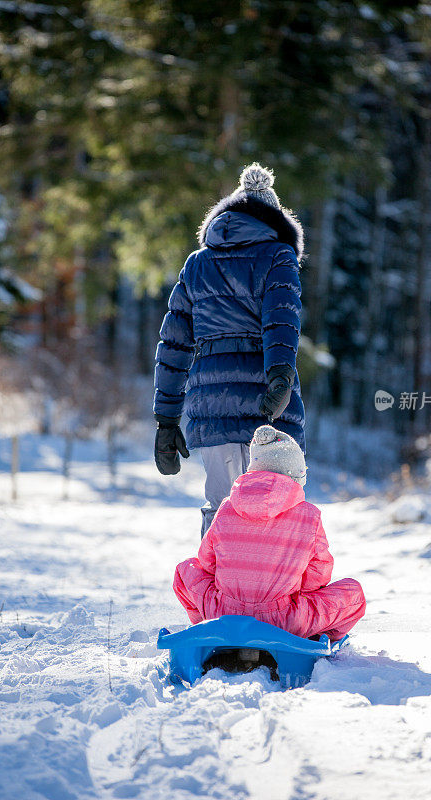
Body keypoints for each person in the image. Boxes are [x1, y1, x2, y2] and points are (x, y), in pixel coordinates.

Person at [153, 163, 305, 538]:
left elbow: (174, 345)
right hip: (268, 403)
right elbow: (280, 320)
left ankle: (217, 595)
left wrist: (166, 420)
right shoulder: (278, 256)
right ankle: (272, 594)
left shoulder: (197, 264)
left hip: (211, 404)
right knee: (276, 506)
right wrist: (280, 376)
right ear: (274, 219)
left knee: (221, 508)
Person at [173, 426, 366, 642]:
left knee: (184, 571)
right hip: (285, 622)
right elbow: (318, 574)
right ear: (295, 474)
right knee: (353, 594)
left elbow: (207, 563)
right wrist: (290, 590)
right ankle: (316, 637)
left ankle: (209, 632)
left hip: (223, 615)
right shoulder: (310, 515)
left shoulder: (227, 506)